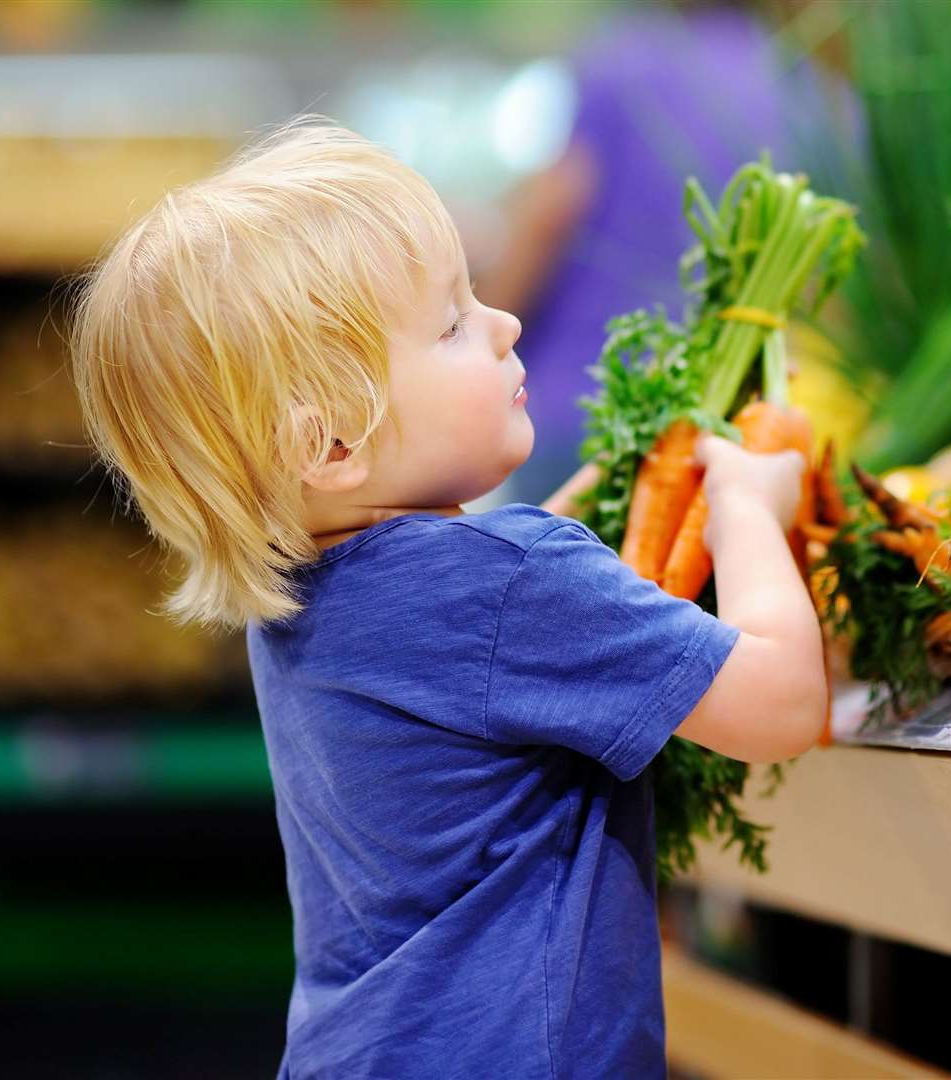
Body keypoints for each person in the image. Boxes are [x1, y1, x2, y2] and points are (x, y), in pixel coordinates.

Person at [67, 120, 828, 1079]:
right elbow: (781, 704)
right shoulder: (509, 581)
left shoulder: (302, 600)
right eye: (455, 323)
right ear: (333, 446)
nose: (505, 323)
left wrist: (570, 524)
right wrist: (748, 510)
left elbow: (473, 646)